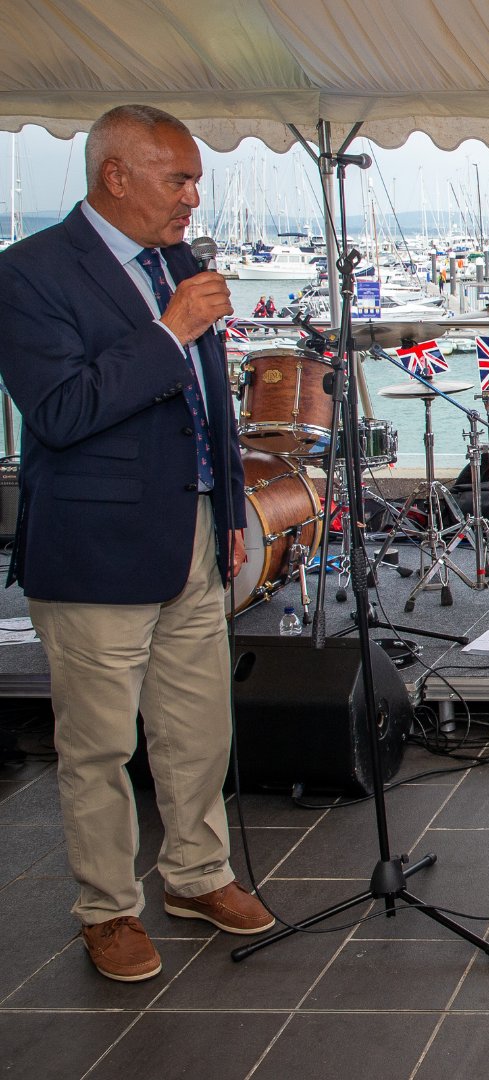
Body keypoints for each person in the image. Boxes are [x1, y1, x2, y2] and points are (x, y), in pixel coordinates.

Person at [0, 104, 274, 982]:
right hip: (94, 547)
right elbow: (60, 411)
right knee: (98, 744)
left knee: (198, 728)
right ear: (114, 175)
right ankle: (107, 909)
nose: (194, 196)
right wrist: (169, 332)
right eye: (178, 177)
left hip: (192, 535)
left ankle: (196, 875)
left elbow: (209, 409)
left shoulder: (177, 263)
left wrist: (230, 508)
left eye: (195, 178)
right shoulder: (30, 274)